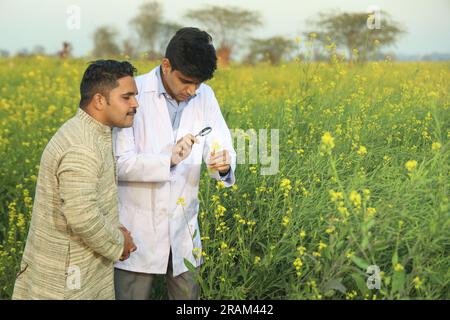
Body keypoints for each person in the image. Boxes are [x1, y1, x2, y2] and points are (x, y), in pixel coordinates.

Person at [113, 27, 236, 300]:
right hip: (138, 228)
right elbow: (119, 164)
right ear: (166, 65)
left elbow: (221, 143)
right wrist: (167, 160)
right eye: (186, 81)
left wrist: (223, 165)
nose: (192, 91)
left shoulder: (205, 96)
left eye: (199, 83)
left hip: (184, 229)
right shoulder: (134, 93)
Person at [13, 60, 138, 300]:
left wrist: (114, 229)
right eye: (127, 97)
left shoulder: (88, 132)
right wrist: (119, 242)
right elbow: (82, 215)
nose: (135, 104)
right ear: (100, 100)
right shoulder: (82, 146)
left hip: (77, 269)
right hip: (66, 281)